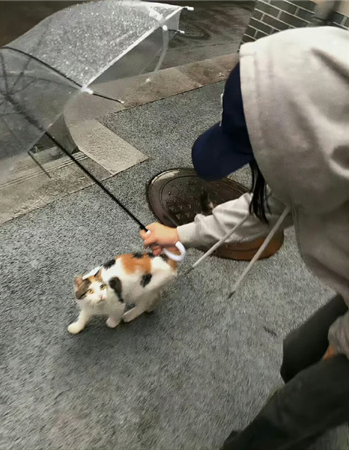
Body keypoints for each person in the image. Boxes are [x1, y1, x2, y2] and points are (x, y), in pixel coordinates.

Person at [140, 27, 349, 449]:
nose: (258, 169)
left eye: (260, 155)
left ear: (306, 144)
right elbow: (265, 206)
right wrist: (179, 232)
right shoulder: (315, 163)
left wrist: (340, 350)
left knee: (284, 415)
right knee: (295, 356)